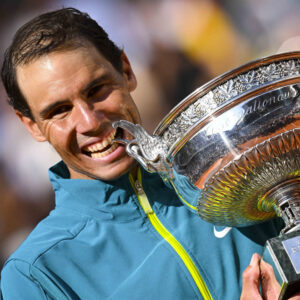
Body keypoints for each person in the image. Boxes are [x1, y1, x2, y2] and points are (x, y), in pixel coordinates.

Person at [0, 7, 298, 300]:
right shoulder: (37, 274)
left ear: (126, 71)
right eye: (59, 111)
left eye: (97, 90)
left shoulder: (241, 167)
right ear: (32, 126)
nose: (90, 122)